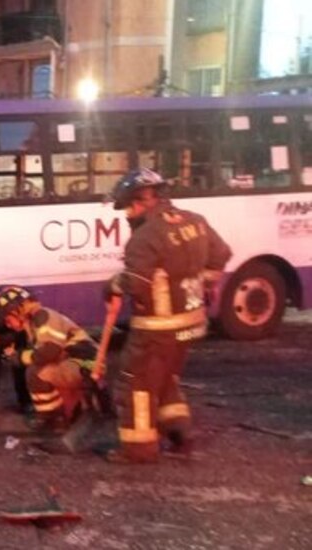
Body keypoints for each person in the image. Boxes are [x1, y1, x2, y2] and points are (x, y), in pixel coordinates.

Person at [105, 168, 231, 463]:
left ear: (140, 201)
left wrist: (111, 285)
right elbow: (221, 254)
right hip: (191, 323)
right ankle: (179, 433)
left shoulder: (145, 237)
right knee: (164, 379)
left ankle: (139, 450)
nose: (127, 214)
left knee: (135, 383)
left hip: (157, 328)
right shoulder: (195, 221)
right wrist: (207, 283)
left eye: (128, 206)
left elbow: (135, 283)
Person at [0, 286, 107, 430]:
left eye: (8, 318)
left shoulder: (42, 317)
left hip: (86, 365)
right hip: (81, 363)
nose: (7, 324)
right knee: (38, 369)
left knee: (35, 372)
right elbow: (22, 340)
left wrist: (19, 357)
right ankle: (60, 415)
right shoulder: (35, 321)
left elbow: (49, 352)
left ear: (18, 310)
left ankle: (52, 417)